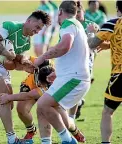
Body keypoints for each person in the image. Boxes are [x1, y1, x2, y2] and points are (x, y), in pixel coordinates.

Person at [0, 10, 51, 144]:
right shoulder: (11, 26)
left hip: (2, 69)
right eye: (37, 27)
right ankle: (12, 139)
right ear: (29, 20)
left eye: (40, 29)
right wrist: (5, 52)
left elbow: (11, 65)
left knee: (8, 104)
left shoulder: (27, 43)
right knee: (5, 99)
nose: (38, 31)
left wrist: (23, 66)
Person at [34, 1, 91, 144]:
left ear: (59, 12)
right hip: (69, 77)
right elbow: (73, 54)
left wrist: (43, 56)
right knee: (42, 108)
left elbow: (65, 45)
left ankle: (67, 139)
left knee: (43, 105)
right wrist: (58, 72)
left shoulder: (68, 24)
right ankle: (46, 141)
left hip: (74, 78)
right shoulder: (75, 24)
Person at [88, 1, 122, 143]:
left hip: (119, 74)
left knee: (107, 112)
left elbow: (91, 44)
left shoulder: (113, 24)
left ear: (118, 9)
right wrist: (110, 45)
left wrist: (91, 32)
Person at [69, 1, 99, 120]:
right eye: (75, 12)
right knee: (73, 90)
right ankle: (78, 104)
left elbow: (93, 46)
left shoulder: (91, 25)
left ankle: (71, 118)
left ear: (84, 12)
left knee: (77, 89)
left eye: (79, 12)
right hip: (72, 62)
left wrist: (92, 33)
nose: (77, 14)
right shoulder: (70, 25)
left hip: (86, 63)